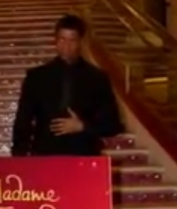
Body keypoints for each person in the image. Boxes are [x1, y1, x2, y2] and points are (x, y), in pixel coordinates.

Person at [11, 14, 122, 156]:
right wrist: (19, 157)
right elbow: (23, 121)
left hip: (84, 155)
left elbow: (113, 124)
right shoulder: (37, 77)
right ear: (55, 41)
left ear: (80, 42)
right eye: (62, 39)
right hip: (45, 156)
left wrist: (83, 126)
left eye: (72, 40)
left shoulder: (97, 78)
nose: (66, 46)